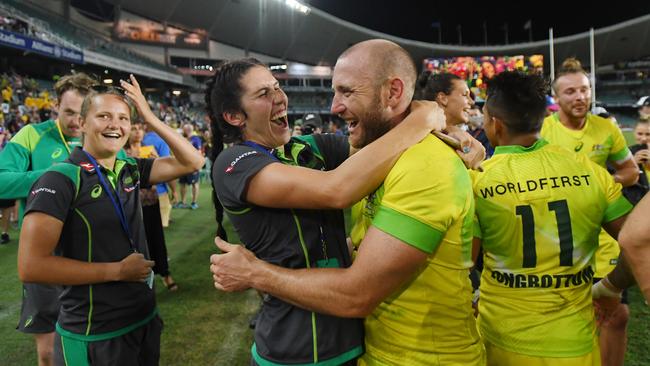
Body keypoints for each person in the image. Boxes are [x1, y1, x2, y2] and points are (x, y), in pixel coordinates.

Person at [210, 40, 486, 365]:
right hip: (293, 348)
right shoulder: (234, 163)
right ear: (232, 116)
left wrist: (443, 124)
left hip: (352, 344)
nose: (280, 97)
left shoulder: (306, 147)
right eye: (263, 94)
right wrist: (422, 119)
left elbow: (379, 137)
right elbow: (336, 189)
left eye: (276, 87)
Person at [17, 75, 204, 365]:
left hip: (142, 321)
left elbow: (193, 161)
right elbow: (31, 266)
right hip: (94, 334)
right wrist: (116, 271)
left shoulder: (129, 167)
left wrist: (150, 117)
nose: (115, 124)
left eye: (123, 118)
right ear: (82, 124)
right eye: (103, 116)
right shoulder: (59, 178)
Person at [472, 71, 633, 365]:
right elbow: (638, 242)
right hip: (575, 344)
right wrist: (610, 287)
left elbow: (463, 265)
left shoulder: (479, 180)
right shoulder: (590, 171)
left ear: (495, 124)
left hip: (503, 342)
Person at [541, 58, 638, 366]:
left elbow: (631, 171)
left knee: (616, 314)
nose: (580, 97)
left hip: (605, 237)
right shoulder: (543, 131)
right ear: (557, 99)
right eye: (570, 92)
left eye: (584, 89)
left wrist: (606, 180)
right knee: (567, 319)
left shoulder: (607, 129)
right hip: (560, 241)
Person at [0, 72, 98, 366]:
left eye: (81, 114)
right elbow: (2, 182)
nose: (74, 121)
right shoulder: (31, 135)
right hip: (43, 255)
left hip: (90, 255)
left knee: (90, 345)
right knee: (48, 353)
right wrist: (56, 175)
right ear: (56, 106)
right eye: (68, 112)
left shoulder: (96, 139)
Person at [126, 121, 178, 291]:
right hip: (130, 206)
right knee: (135, 243)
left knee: (156, 238)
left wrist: (174, 190)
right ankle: (139, 280)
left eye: (139, 128)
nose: (137, 131)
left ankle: (165, 273)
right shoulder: (121, 153)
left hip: (150, 202)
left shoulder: (150, 151)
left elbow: (166, 170)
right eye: (134, 128)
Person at [142, 126, 174, 227]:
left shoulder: (139, 140)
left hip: (138, 189)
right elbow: (166, 167)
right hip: (158, 189)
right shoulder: (161, 141)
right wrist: (174, 190)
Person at [176, 122, 202, 209]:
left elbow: (199, 152)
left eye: (185, 128)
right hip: (182, 164)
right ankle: (183, 202)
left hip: (192, 164)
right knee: (182, 183)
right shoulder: (183, 138)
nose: (183, 130)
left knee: (194, 183)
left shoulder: (195, 139)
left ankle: (194, 202)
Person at [623, 120, 650, 205]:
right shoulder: (626, 153)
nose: (644, 138)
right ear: (634, 133)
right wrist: (632, 164)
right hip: (636, 204)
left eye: (648, 134)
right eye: (640, 134)